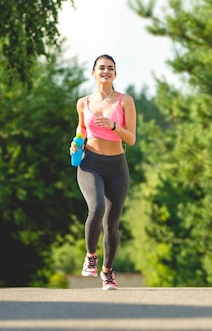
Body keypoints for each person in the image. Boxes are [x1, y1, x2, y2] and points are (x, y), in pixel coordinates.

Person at [69, 54, 137, 290]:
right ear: (93, 73)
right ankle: (91, 256)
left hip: (117, 166)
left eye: (110, 68)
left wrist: (114, 126)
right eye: (101, 68)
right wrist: (76, 141)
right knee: (96, 207)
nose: (106, 71)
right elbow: (81, 128)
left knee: (112, 222)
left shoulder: (125, 101)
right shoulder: (83, 102)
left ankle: (107, 272)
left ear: (115, 74)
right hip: (90, 163)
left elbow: (132, 138)